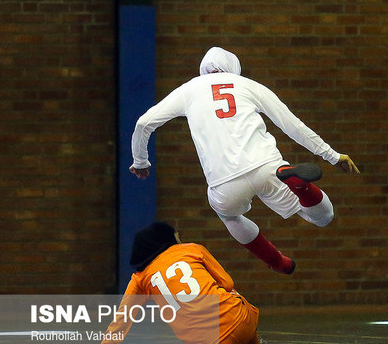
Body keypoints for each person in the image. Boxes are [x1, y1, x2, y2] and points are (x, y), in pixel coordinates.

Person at [129, 46, 359, 275]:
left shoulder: (188, 90)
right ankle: (299, 184)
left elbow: (143, 124)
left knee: (229, 215)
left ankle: (278, 262)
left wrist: (141, 162)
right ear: (234, 68)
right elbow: (292, 125)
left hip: (224, 184)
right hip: (267, 166)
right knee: (323, 217)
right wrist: (332, 155)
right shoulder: (249, 85)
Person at [73, 222, 296, 344]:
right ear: (167, 240)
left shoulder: (139, 278)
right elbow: (227, 283)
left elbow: (122, 320)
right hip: (243, 322)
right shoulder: (193, 249)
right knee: (229, 295)